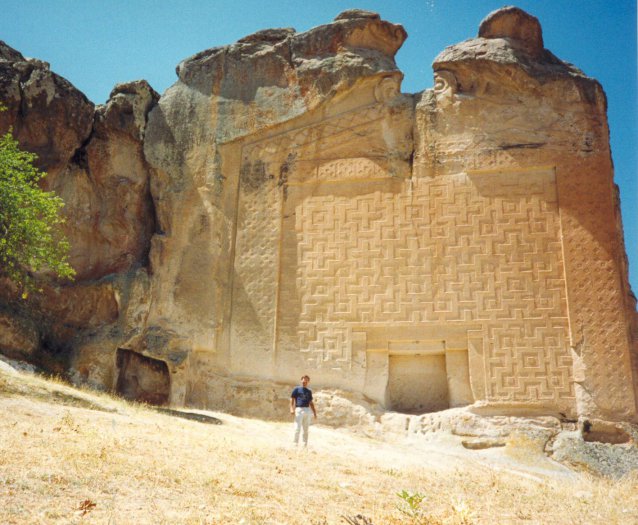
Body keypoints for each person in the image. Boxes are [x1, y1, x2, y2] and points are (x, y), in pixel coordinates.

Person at [290, 374, 317, 447]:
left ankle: (304, 445)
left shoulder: (309, 391)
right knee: (297, 428)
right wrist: (292, 409)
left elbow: (311, 402)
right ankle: (295, 444)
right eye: (303, 379)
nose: (304, 381)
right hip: (299, 409)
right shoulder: (297, 389)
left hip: (307, 410)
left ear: (308, 381)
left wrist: (314, 412)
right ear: (301, 380)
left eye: (306, 380)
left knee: (306, 429)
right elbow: (292, 399)